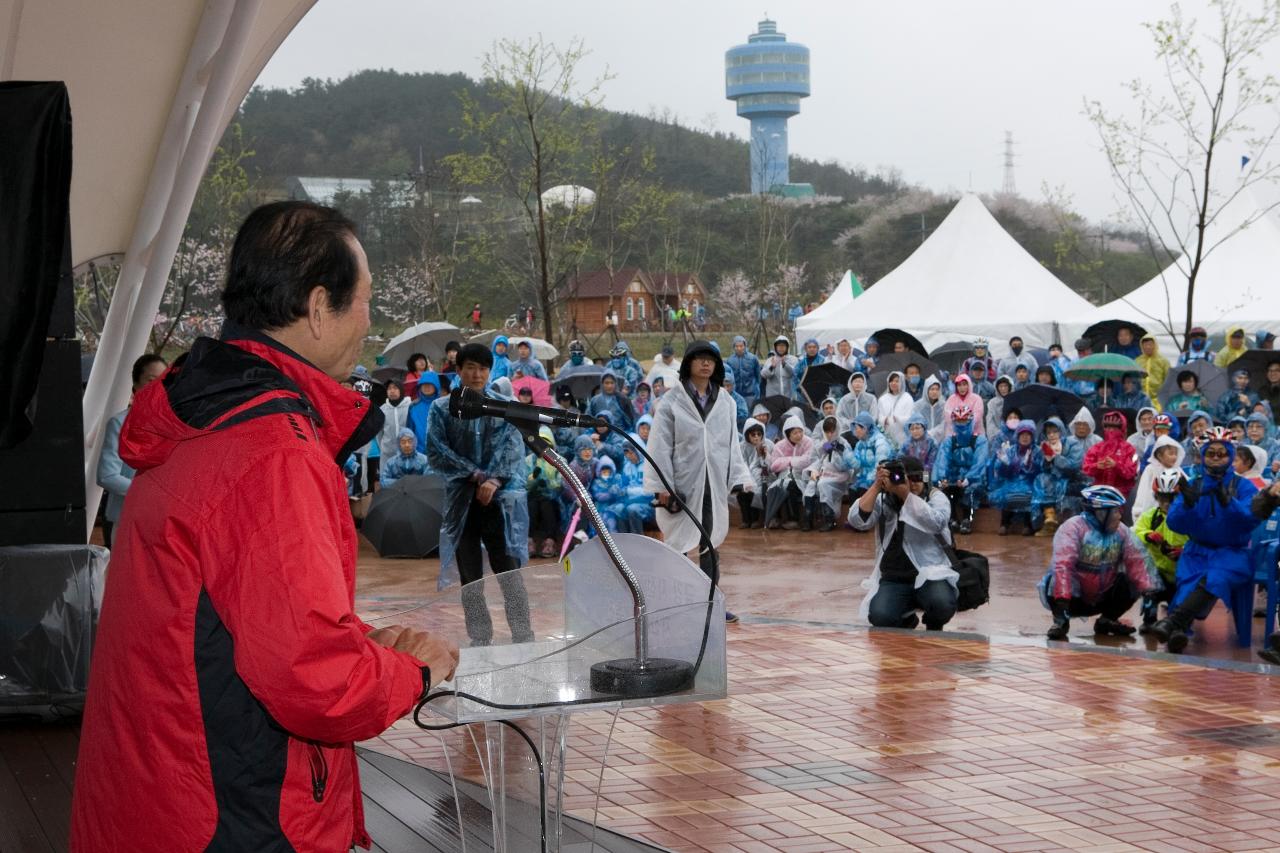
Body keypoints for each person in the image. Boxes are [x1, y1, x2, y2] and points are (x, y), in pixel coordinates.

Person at [72, 201, 459, 852]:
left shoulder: (205, 416)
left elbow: (222, 617)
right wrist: (412, 670)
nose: (369, 320)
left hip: (156, 795)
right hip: (228, 815)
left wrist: (363, 643)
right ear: (317, 307)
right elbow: (311, 678)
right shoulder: (271, 451)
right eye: (363, 300)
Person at [426, 343, 534, 645]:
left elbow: (513, 446)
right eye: (470, 367)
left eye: (483, 368)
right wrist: (474, 474)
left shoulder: (503, 405)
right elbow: (436, 451)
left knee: (508, 570)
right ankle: (480, 635)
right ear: (458, 370)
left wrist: (495, 480)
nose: (477, 374)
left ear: (490, 371)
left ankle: (523, 632)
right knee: (470, 575)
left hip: (498, 502)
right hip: (462, 500)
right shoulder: (441, 408)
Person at [644, 341, 753, 622]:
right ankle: (674, 605)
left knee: (710, 541)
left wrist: (739, 476)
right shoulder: (671, 401)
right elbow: (660, 445)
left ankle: (709, 605)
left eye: (711, 360)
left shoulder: (726, 402)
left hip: (712, 483)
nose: (706, 364)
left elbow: (732, 443)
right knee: (679, 543)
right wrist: (663, 485)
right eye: (700, 359)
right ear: (688, 364)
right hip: (682, 483)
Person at [1149, 428, 1261, 653]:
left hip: (1233, 553)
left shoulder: (1243, 486)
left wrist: (1229, 502)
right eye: (1212, 454)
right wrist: (1187, 507)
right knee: (1186, 588)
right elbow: (1175, 524)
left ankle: (1172, 623)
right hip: (1196, 552)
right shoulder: (1194, 485)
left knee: (1216, 577)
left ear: (1231, 456)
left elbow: (1250, 519)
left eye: (1223, 454)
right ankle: (1178, 631)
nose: (1217, 458)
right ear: (1203, 456)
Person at [850, 456, 959, 631]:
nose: (911, 484)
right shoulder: (886, 498)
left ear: (925, 477)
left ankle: (934, 623)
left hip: (930, 572)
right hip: (895, 576)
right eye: (903, 478)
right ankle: (906, 620)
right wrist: (877, 486)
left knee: (942, 604)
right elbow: (858, 520)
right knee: (880, 616)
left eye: (916, 478)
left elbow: (936, 522)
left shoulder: (935, 497)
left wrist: (906, 495)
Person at [1041, 485, 1158, 640]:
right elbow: (1063, 566)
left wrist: (1149, 593)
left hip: (1102, 598)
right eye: (1115, 511)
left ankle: (1107, 620)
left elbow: (1137, 562)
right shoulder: (1073, 528)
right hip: (1072, 601)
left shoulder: (1121, 531)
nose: (1119, 516)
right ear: (1100, 513)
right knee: (1055, 576)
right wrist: (1062, 602)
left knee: (1131, 579)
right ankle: (1061, 622)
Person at [95, 352, 167, 548]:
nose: (156, 387)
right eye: (150, 380)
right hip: (125, 519)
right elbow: (107, 475)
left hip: (162, 521)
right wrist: (148, 491)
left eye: (162, 381)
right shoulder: (119, 423)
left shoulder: (172, 427)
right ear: (135, 384)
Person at [1133, 469, 1189, 632]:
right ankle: (1149, 620)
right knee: (1150, 588)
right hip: (1159, 571)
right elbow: (1136, 531)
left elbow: (1199, 541)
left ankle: (1177, 623)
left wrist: (1183, 551)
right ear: (1156, 497)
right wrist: (1148, 535)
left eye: (1172, 499)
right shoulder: (1151, 516)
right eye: (1163, 498)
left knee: (1182, 601)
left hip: (1183, 572)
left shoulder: (1189, 518)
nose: (1167, 503)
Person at [934, 405, 988, 534]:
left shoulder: (979, 440)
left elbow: (980, 463)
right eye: (958, 421)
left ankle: (966, 519)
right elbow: (942, 460)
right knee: (946, 490)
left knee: (971, 490)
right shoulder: (949, 441)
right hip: (954, 475)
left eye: (964, 421)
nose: (961, 424)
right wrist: (943, 478)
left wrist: (968, 479)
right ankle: (952, 518)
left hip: (973, 477)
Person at [989, 420, 1041, 535]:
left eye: (1028, 435)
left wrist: (1030, 465)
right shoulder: (1011, 450)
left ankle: (1028, 525)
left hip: (1030, 482)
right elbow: (1001, 472)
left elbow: (1040, 471)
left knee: (1028, 495)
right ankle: (1004, 524)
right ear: (1017, 435)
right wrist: (1005, 464)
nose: (1025, 437)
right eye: (1022, 434)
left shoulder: (1037, 451)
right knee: (1007, 494)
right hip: (1012, 481)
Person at [803, 417, 852, 531]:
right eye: (827, 431)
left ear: (837, 430)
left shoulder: (843, 443)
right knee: (811, 486)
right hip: (824, 472)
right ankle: (808, 519)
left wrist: (838, 452)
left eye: (832, 431)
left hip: (839, 476)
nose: (830, 434)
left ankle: (829, 520)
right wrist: (814, 471)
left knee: (823, 485)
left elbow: (848, 465)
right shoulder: (823, 444)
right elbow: (816, 459)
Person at [765, 415, 813, 529]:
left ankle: (793, 519)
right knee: (774, 488)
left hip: (803, 476)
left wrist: (787, 461)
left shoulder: (808, 442)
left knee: (791, 485)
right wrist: (792, 461)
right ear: (788, 434)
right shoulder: (779, 446)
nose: (799, 435)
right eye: (795, 433)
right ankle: (774, 518)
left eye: (800, 431)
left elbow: (807, 460)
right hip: (783, 476)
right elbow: (774, 465)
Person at [526, 426, 562, 558]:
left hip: (552, 498)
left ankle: (550, 541)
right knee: (532, 505)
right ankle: (529, 541)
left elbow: (560, 485)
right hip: (533, 496)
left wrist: (547, 483)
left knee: (547, 506)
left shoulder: (559, 460)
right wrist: (534, 479)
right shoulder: (529, 460)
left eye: (546, 442)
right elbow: (524, 484)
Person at [1083, 412, 1139, 496]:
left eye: (1115, 427)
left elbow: (1132, 472)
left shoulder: (1130, 449)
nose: (1111, 430)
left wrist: (1116, 466)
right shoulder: (1096, 448)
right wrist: (1096, 466)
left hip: (1121, 494)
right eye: (1108, 427)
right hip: (1099, 493)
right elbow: (1086, 468)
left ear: (1122, 428)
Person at [1132, 435, 1186, 519]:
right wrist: (1138, 512)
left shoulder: (1178, 470)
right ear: (1160, 455)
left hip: (1173, 512)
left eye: (1176, 453)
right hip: (1152, 511)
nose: (1174, 457)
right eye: (1171, 453)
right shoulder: (1151, 469)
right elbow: (1143, 492)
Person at [737, 418, 774, 529]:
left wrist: (764, 454)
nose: (756, 437)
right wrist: (747, 479)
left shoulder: (768, 444)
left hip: (765, 476)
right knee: (743, 494)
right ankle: (746, 520)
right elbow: (741, 464)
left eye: (759, 434)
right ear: (747, 435)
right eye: (753, 435)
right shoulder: (741, 447)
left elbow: (770, 464)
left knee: (757, 492)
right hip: (746, 476)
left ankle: (756, 520)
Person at [845, 412, 892, 497]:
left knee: (862, 491)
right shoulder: (860, 444)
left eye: (857, 428)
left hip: (879, 479)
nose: (855, 431)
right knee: (852, 491)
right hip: (863, 479)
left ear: (865, 428)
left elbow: (881, 464)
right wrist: (845, 452)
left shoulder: (880, 442)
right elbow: (857, 464)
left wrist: (871, 480)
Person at [405, 370, 442, 454]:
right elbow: (409, 431)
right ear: (419, 386)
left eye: (430, 384)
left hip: (439, 454)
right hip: (419, 453)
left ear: (436, 386)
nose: (426, 387)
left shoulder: (442, 405)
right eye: (424, 385)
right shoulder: (413, 406)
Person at [876, 370, 915, 448]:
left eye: (897, 381)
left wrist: (898, 418)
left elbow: (911, 417)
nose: (893, 383)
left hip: (902, 434)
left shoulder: (907, 398)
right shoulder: (883, 399)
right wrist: (884, 420)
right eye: (891, 381)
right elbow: (879, 416)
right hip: (887, 434)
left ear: (902, 383)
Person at [377, 378, 412, 459]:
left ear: (401, 390)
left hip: (408, 453)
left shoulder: (410, 407)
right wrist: (383, 448)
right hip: (387, 455)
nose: (392, 391)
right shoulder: (382, 410)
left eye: (395, 388)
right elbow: (379, 433)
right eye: (389, 389)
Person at [725, 335, 762, 406]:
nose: (739, 348)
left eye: (741, 346)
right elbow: (729, 377)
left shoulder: (752, 358)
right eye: (737, 346)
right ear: (734, 347)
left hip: (751, 394)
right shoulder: (730, 360)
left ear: (745, 346)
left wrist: (756, 389)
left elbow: (758, 375)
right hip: (736, 394)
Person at [1135, 334, 1169, 406]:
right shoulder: (1137, 361)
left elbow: (1168, 380)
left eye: (1150, 344)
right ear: (1141, 346)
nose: (1148, 347)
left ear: (1155, 345)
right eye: (1145, 345)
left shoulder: (1163, 361)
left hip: (1158, 400)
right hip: (1140, 399)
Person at [912, 376, 947, 444]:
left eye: (937, 389)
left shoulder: (943, 405)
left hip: (940, 441)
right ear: (926, 390)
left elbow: (944, 423)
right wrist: (924, 434)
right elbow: (915, 422)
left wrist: (932, 433)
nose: (935, 392)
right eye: (932, 389)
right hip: (921, 441)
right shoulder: (918, 405)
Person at [1261, 359, 1280, 427]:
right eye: (1270, 370)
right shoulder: (1262, 391)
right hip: (1266, 428)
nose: (1273, 373)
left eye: (1277, 370)